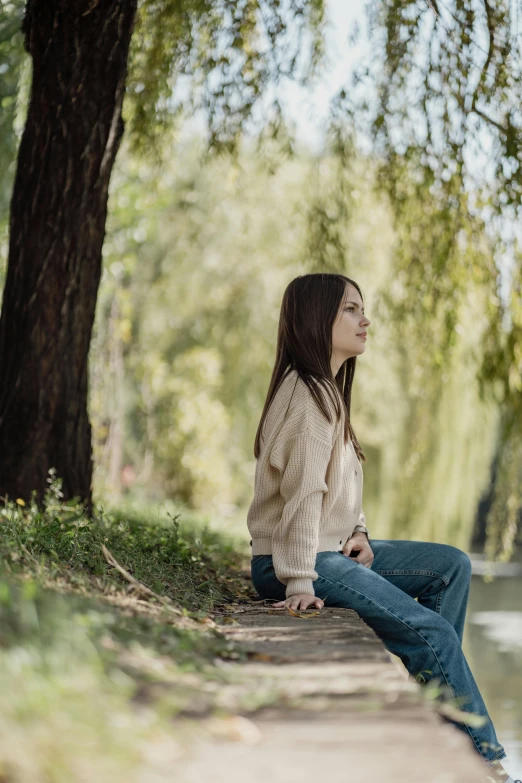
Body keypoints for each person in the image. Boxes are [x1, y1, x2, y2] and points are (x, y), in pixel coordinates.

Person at [247, 273, 517, 783]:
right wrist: (299, 581)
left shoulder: (327, 392)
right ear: (316, 318)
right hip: (295, 560)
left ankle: (439, 710)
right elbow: (303, 497)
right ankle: (482, 758)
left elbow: (342, 482)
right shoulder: (307, 397)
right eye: (351, 309)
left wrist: (362, 532)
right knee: (430, 631)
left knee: (450, 567)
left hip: (327, 551)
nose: (364, 319)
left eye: (362, 308)